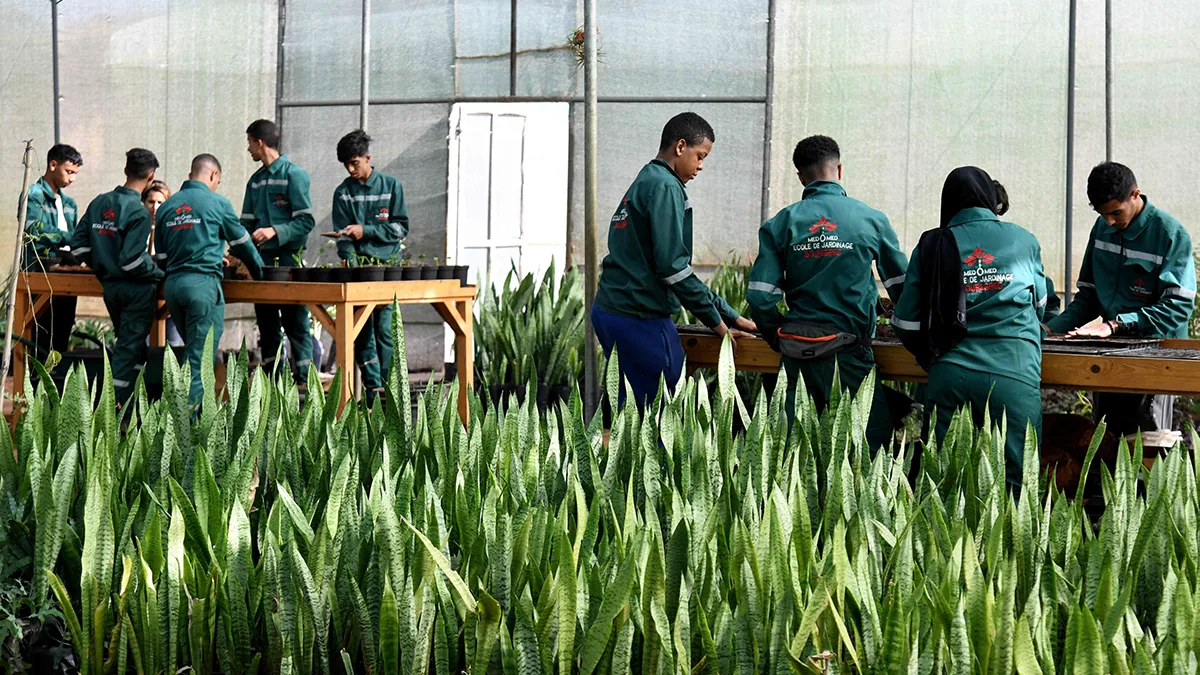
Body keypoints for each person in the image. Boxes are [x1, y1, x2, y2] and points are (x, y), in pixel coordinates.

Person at [746, 135, 908, 451]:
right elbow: (903, 288)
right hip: (851, 356)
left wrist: (776, 336)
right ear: (840, 170)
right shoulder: (871, 219)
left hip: (796, 358)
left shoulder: (781, 223)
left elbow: (759, 297)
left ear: (800, 177)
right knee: (866, 455)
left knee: (790, 456)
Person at [892, 167, 1048, 490]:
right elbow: (1040, 305)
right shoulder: (1024, 240)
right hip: (1014, 374)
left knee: (944, 484)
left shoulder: (932, 243)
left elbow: (905, 322)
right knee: (1017, 480)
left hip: (950, 376)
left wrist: (932, 358)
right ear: (990, 199)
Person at [591, 112, 756, 409]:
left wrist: (732, 316)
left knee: (631, 408)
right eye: (700, 156)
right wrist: (719, 326)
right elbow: (674, 269)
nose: (701, 166)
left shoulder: (646, 179)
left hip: (611, 310)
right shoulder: (666, 186)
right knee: (664, 409)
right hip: (638, 316)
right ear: (681, 147)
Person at [1047, 162, 1196, 438]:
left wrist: (1116, 324)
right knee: (1106, 439)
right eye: (1103, 215)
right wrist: (1050, 329)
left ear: (1135, 194)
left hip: (1157, 353)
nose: (1110, 223)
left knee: (1148, 441)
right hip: (1109, 351)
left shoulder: (1170, 235)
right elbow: (1088, 298)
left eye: (1116, 212)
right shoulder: (1101, 229)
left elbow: (1178, 307)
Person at [156, 154, 264, 405]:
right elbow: (241, 242)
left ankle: (206, 407)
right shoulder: (217, 203)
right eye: (218, 180)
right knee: (198, 359)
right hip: (202, 288)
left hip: (173, 288)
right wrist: (260, 272)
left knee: (194, 350)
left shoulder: (167, 208)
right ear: (213, 175)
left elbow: (161, 257)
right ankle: (188, 424)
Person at [67, 149, 164, 402]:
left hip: (110, 288)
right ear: (151, 177)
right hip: (136, 291)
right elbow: (132, 261)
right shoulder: (138, 211)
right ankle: (110, 408)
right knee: (127, 350)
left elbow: (77, 247)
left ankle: (137, 403)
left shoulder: (100, 202)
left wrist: (102, 263)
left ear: (125, 171)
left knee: (133, 347)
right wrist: (158, 272)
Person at [331, 129, 408, 400]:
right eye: (346, 165)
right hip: (359, 272)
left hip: (386, 270)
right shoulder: (343, 193)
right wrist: (351, 262)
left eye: (355, 162)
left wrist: (367, 231)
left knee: (384, 329)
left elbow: (401, 229)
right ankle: (373, 387)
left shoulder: (391, 186)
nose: (351, 169)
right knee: (361, 331)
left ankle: (390, 389)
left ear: (368, 158)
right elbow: (341, 237)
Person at [240, 119, 315, 382]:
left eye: (249, 143)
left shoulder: (294, 175)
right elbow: (246, 224)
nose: (248, 149)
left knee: (297, 324)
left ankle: (305, 381)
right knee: (268, 325)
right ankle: (273, 381)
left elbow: (306, 221)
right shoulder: (256, 181)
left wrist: (274, 231)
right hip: (261, 263)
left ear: (260, 142)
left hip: (288, 262)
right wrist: (236, 249)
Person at [20, 144, 83, 360]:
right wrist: (69, 237)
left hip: (65, 268)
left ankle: (58, 376)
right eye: (69, 172)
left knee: (63, 324)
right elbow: (32, 229)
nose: (72, 179)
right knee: (41, 327)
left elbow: (74, 239)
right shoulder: (35, 194)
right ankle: (36, 379)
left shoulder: (69, 204)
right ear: (53, 165)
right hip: (41, 266)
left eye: (75, 174)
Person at [143, 180, 184, 348]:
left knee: (173, 345)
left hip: (170, 293)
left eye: (161, 202)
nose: (155, 207)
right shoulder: (138, 228)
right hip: (145, 294)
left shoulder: (173, 229)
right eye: (151, 202)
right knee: (147, 346)